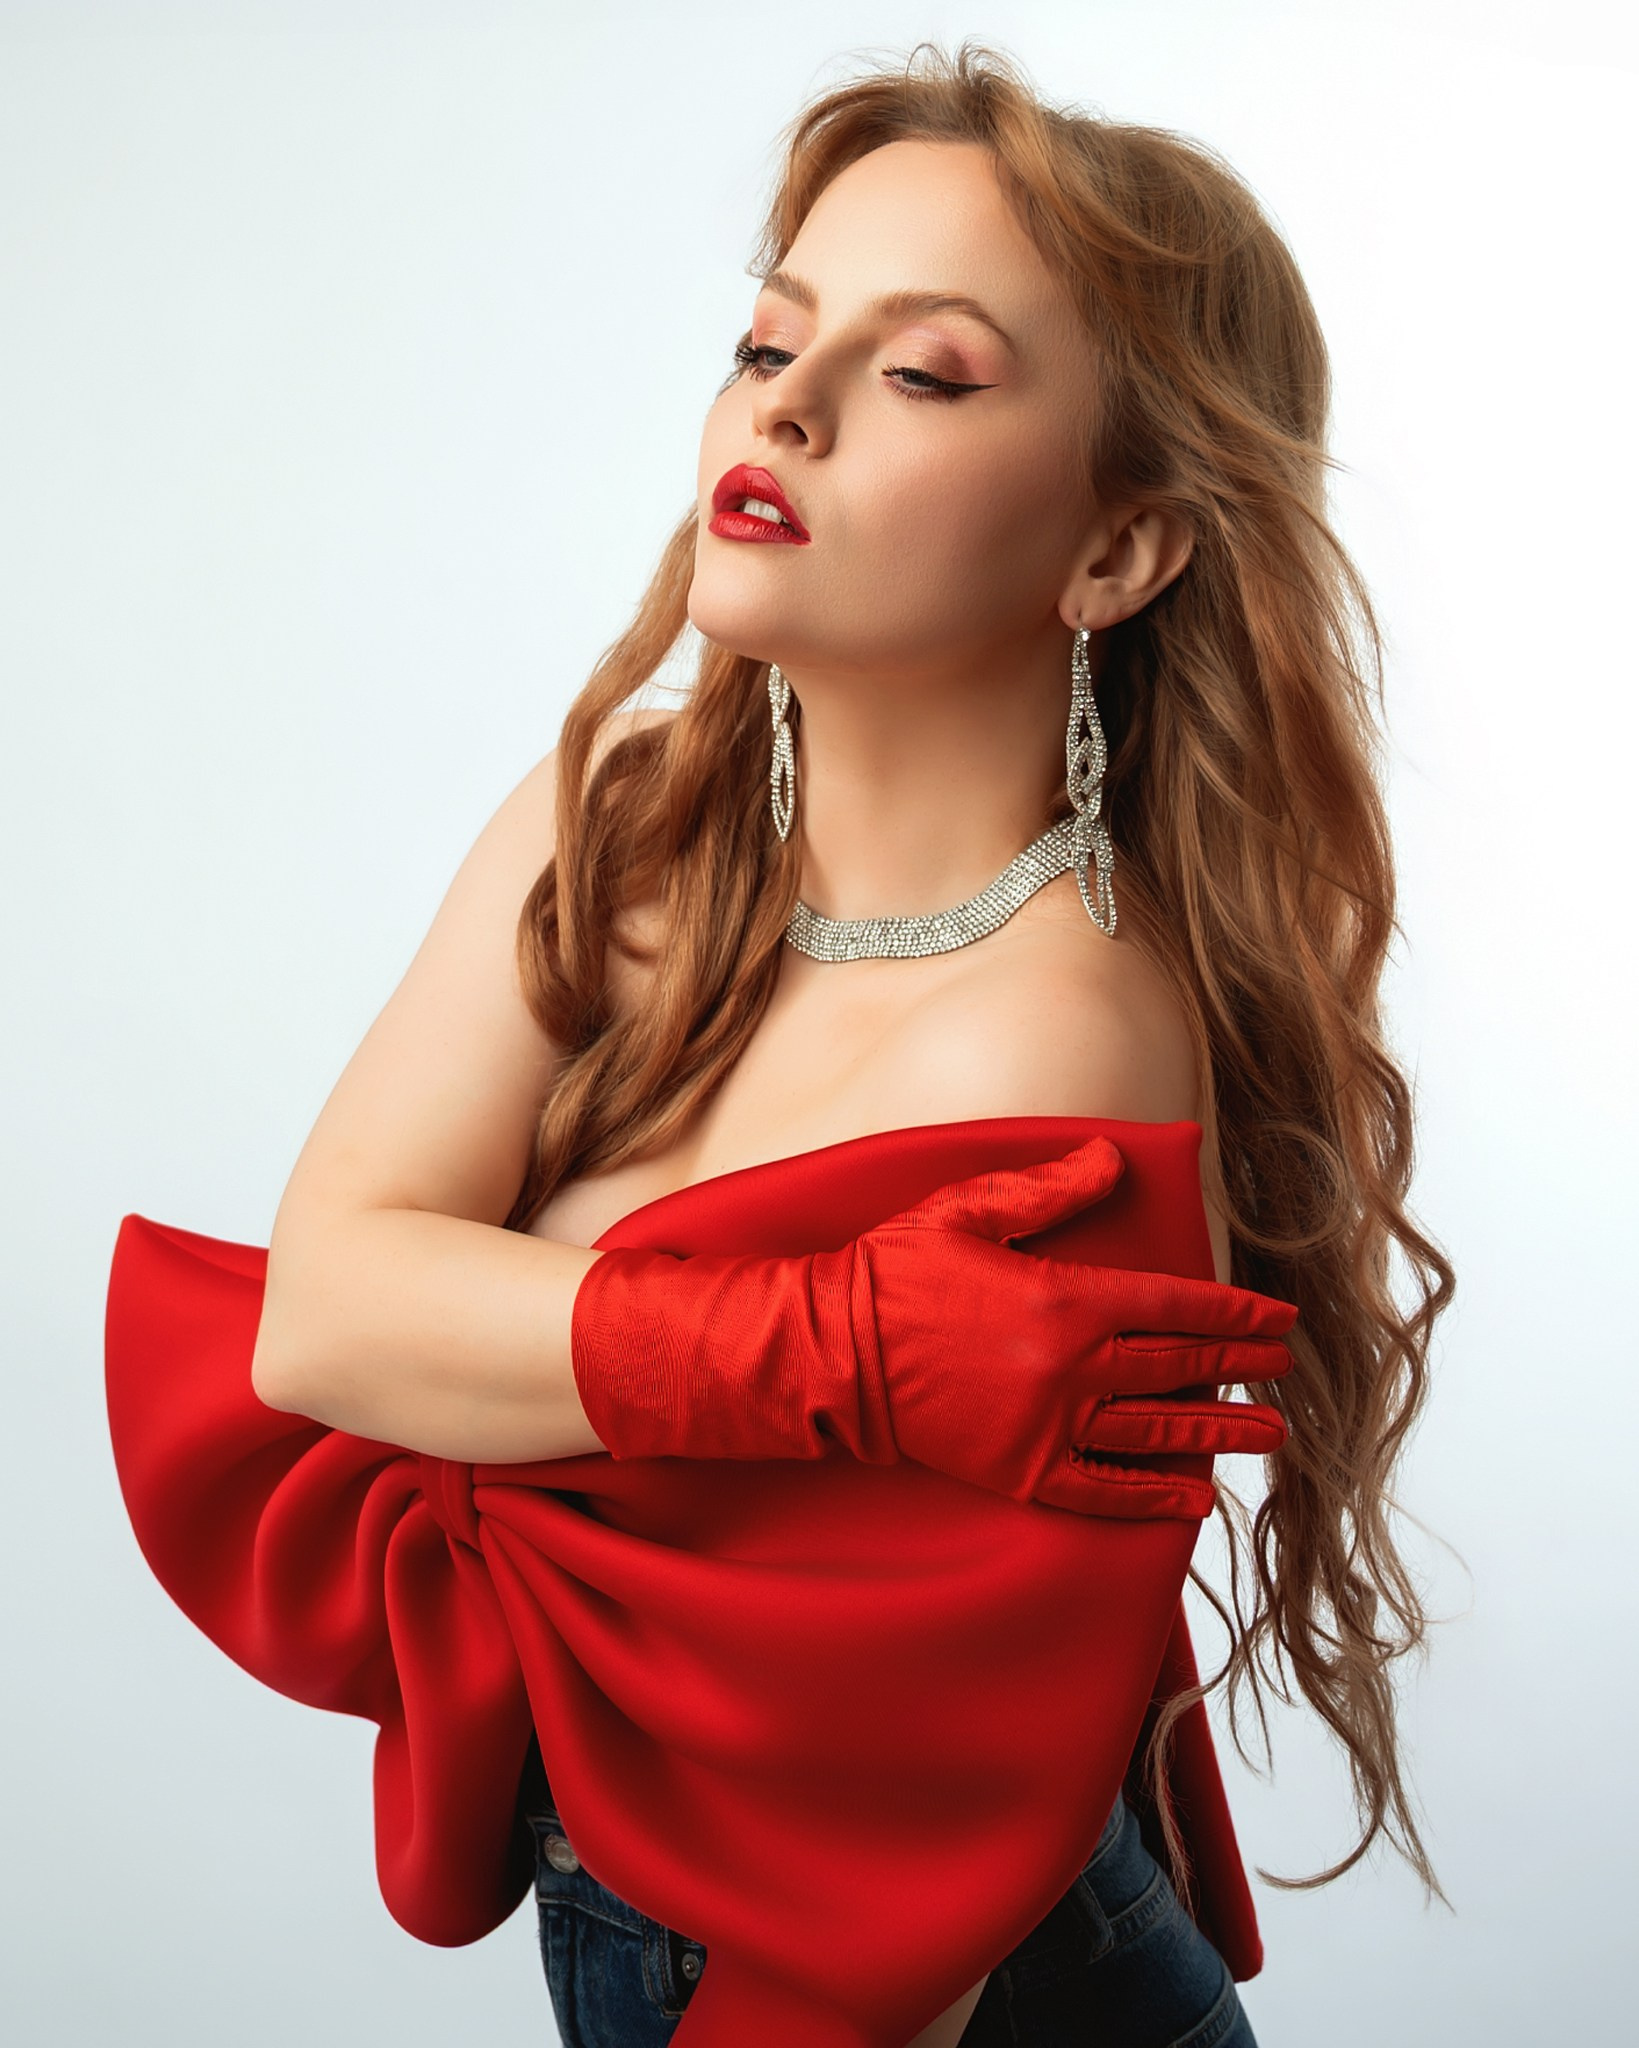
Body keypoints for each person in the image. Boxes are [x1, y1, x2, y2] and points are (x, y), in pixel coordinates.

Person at [105, 39, 1451, 2048]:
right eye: (767, 339)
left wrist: (534, 1331)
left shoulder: (1066, 1037)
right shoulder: (626, 820)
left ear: (1116, 550)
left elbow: (906, 1876)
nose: (785, 406)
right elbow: (322, 1320)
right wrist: (833, 1349)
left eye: (924, 373)